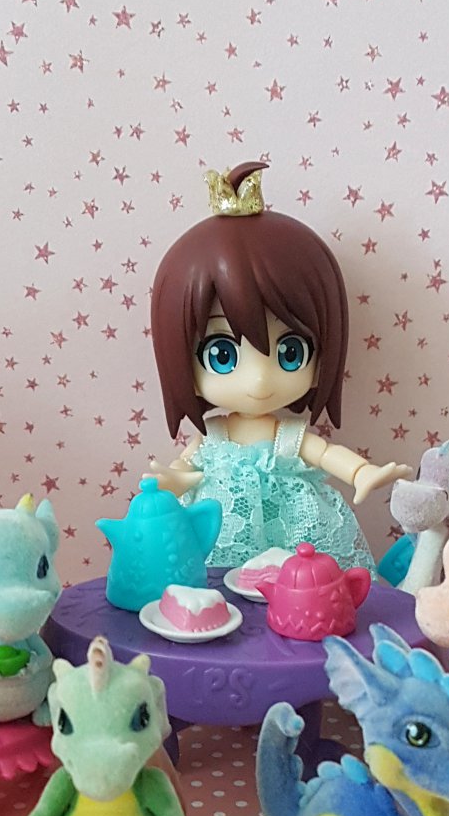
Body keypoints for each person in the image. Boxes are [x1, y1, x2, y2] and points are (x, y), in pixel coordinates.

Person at [147, 161, 410, 572]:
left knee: (305, 586)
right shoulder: (213, 436)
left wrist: (361, 473)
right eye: (222, 355)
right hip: (222, 534)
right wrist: (175, 480)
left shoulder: (290, 436)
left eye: (290, 351)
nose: (259, 380)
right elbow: (186, 465)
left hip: (297, 539)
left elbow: (326, 453)